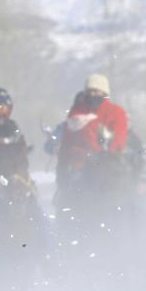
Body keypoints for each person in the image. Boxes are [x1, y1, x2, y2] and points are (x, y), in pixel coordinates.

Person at [51, 74, 130, 206]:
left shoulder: (116, 112)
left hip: (109, 164)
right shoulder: (77, 113)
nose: (93, 95)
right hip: (80, 164)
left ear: (104, 93)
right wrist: (62, 169)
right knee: (69, 198)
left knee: (123, 195)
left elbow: (119, 140)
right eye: (90, 91)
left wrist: (104, 153)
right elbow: (67, 142)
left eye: (97, 91)